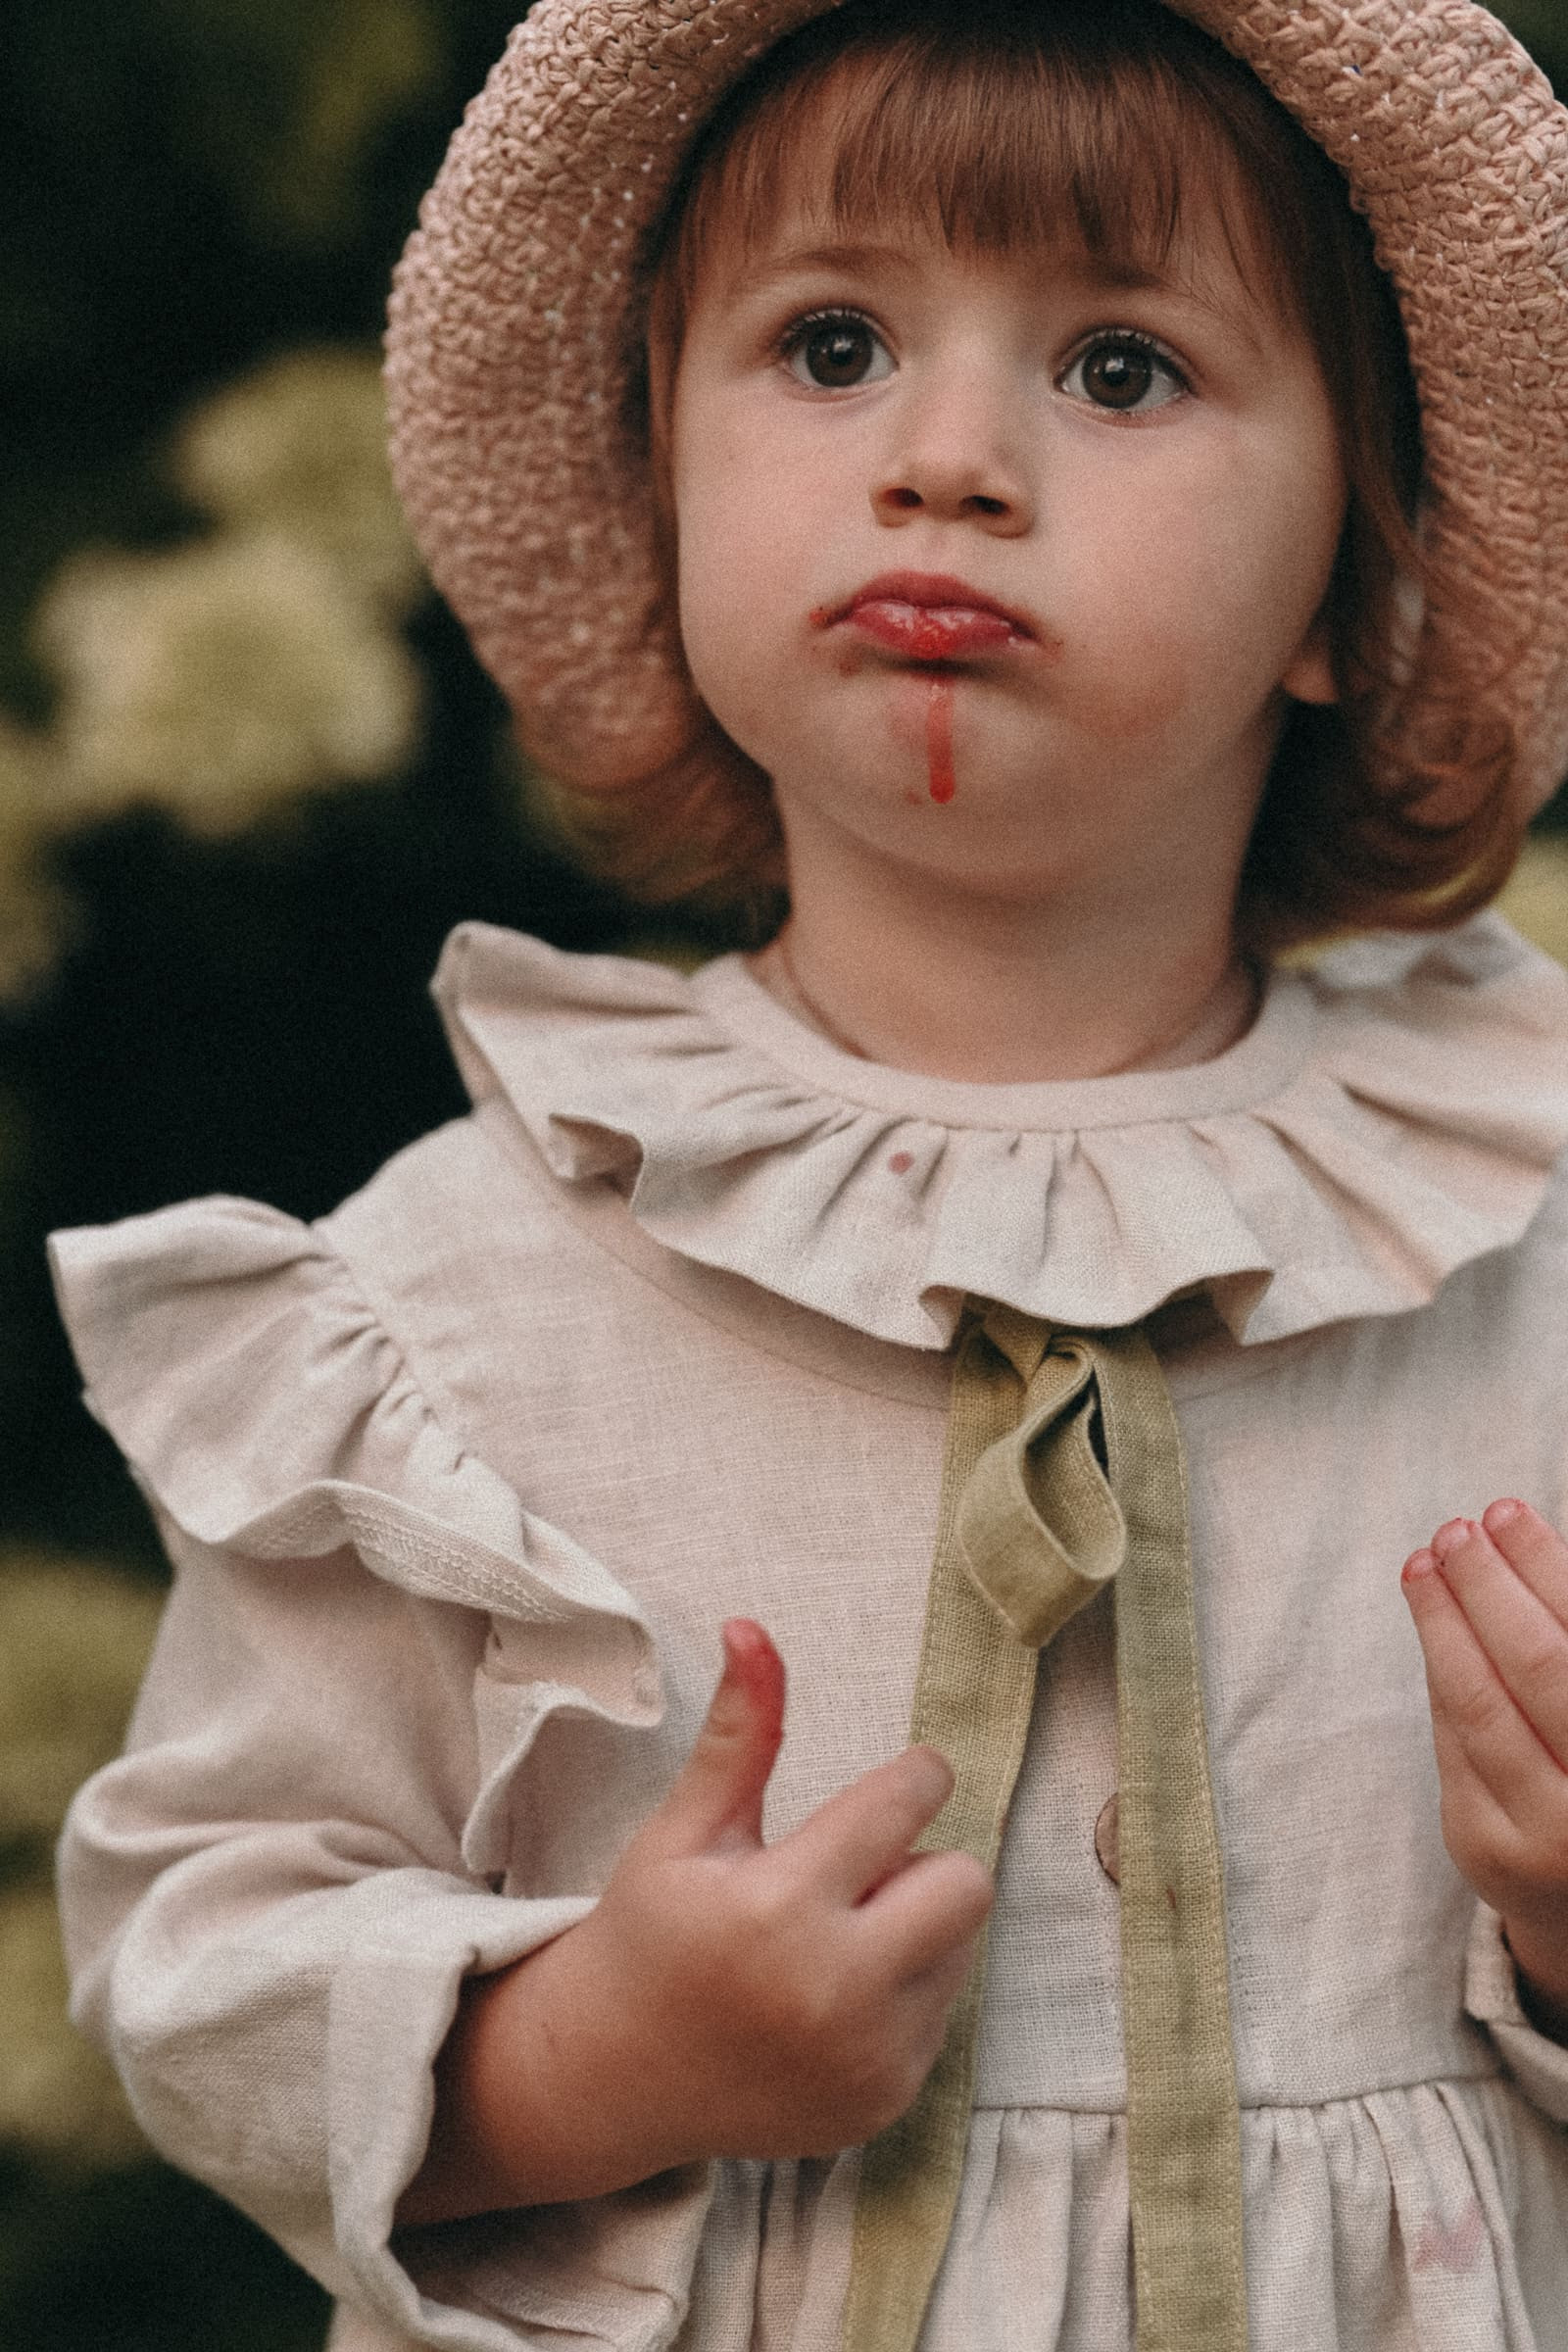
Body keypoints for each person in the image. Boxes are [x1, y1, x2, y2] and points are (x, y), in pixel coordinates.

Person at [50, 0, 1568, 2345]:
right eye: (831, 345)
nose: (946, 461)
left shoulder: (1517, 1245)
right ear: (658, 476)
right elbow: (204, 1949)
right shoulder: (455, 1293)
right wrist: (584, 2057)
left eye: (1122, 367)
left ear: (1346, 585)